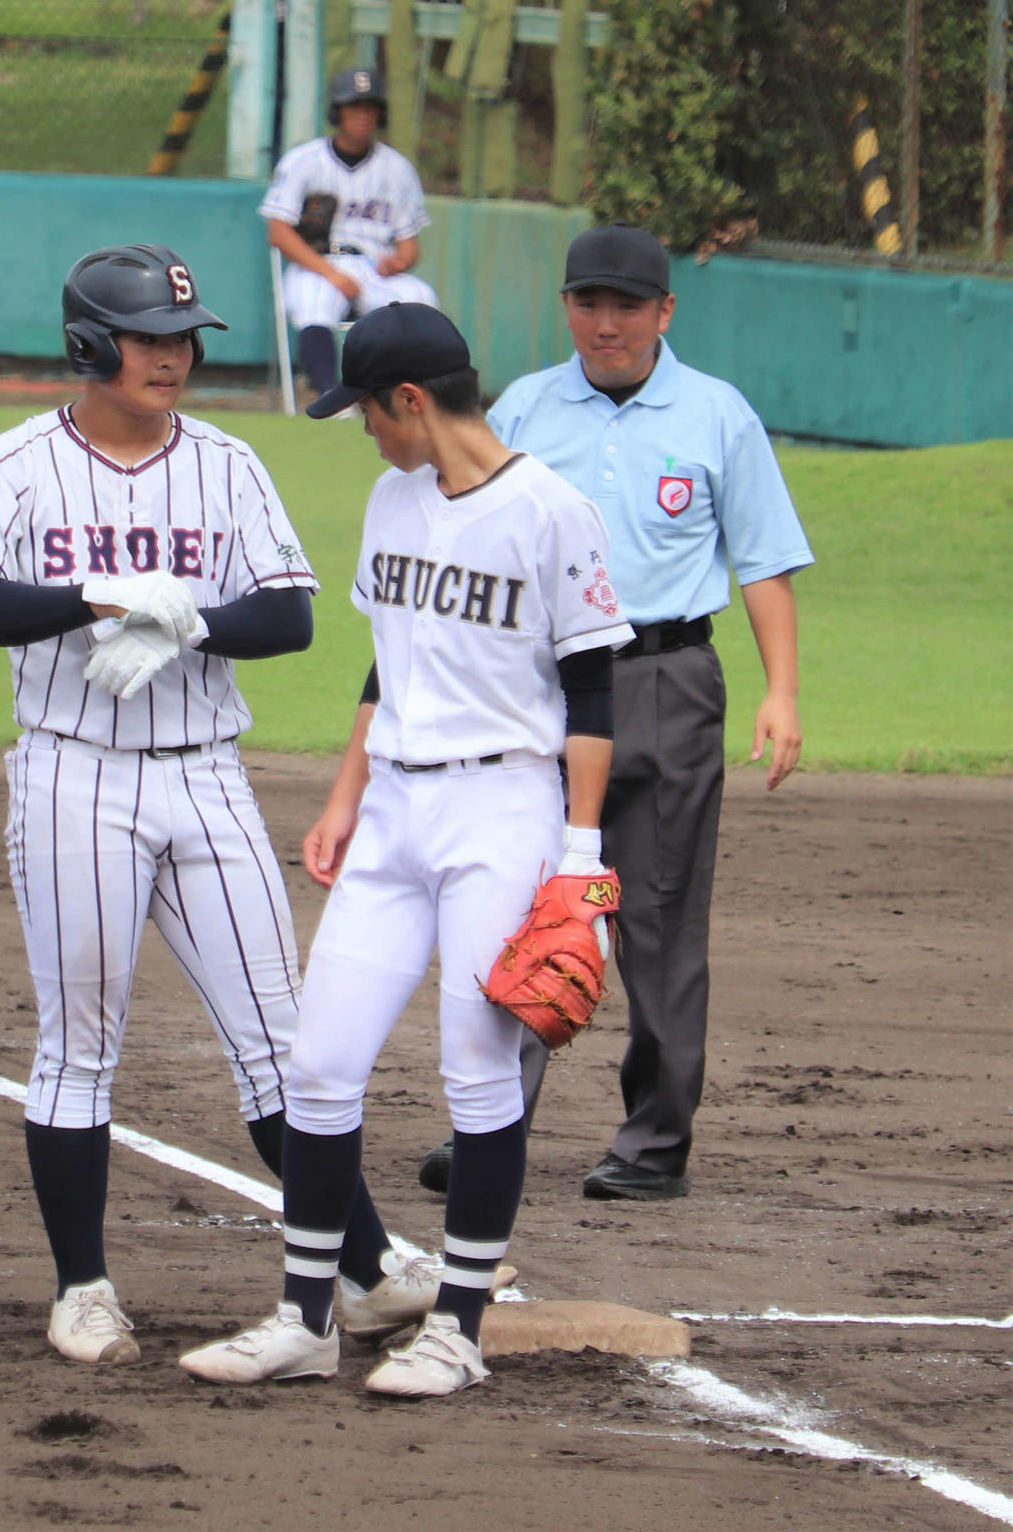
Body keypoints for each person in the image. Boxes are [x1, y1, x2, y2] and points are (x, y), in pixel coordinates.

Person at [0, 243, 438, 1366]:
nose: (171, 357)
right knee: (80, 1047)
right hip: (74, 772)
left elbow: (292, 616)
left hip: (208, 774)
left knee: (286, 1045)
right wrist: (95, 598)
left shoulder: (226, 464)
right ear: (86, 344)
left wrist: (188, 621)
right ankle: (84, 1287)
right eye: (148, 338)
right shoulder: (13, 466)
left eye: (182, 339)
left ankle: (361, 1273)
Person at [177, 301, 633, 1398]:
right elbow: (387, 668)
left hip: (504, 813)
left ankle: (459, 1329)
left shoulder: (550, 510)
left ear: (412, 400)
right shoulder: (393, 499)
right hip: (394, 812)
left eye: (365, 411)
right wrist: (343, 798)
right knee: (319, 1063)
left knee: (477, 1070)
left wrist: (579, 853)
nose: (362, 430)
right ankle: (306, 1317)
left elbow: (591, 689)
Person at [415, 224, 814, 1202]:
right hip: (539, 686)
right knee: (517, 903)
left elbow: (761, 560)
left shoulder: (718, 416)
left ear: (663, 312)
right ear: (566, 308)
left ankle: (653, 1142)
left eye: (626, 305)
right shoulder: (523, 409)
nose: (606, 323)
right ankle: (489, 1125)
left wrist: (781, 689)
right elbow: (468, 544)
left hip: (668, 678)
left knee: (662, 920)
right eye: (588, 302)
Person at [261, 65, 440, 402]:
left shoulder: (397, 169)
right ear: (337, 112)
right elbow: (279, 233)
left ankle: (403, 397)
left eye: (369, 108)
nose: (362, 116)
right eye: (354, 107)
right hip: (318, 263)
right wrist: (331, 273)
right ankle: (331, 396)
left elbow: (409, 246)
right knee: (314, 303)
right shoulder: (303, 161)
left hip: (372, 267)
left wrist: (400, 262)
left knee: (421, 300)